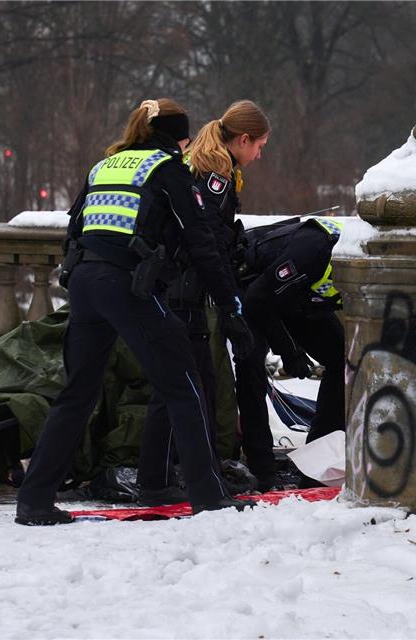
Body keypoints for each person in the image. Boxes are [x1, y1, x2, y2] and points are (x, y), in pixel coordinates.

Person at [15, 98, 251, 525]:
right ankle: (210, 497)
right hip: (129, 287)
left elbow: (74, 227)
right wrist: (231, 303)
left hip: (85, 282)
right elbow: (201, 242)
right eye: (184, 140)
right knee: (185, 386)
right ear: (178, 138)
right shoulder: (167, 169)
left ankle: (33, 501)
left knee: (77, 394)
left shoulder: (104, 166)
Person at [135, 101, 270, 505]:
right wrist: (229, 304)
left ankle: (158, 478)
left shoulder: (197, 162)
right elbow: (204, 243)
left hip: (168, 288)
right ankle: (201, 480)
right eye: (260, 145)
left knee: (178, 386)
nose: (260, 154)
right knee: (197, 388)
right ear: (242, 140)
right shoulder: (218, 177)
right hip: (186, 293)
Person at [231, 216, 346, 491]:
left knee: (343, 360)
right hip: (252, 287)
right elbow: (257, 301)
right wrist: (290, 352)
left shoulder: (367, 268)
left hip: (296, 296)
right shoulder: (314, 253)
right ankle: (262, 469)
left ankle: (317, 464)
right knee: (251, 364)